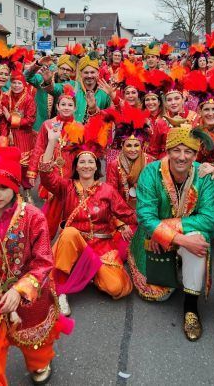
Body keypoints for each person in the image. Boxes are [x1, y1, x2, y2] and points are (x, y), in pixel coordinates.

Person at [0, 146, 70, 385]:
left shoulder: (34, 217)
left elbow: (43, 261)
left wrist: (20, 290)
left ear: (14, 187)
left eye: (3, 188)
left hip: (29, 289)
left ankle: (39, 363)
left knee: (34, 341)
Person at [40, 117, 137, 316]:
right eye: (81, 162)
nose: (86, 165)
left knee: (118, 288)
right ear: (75, 167)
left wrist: (154, 230)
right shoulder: (66, 187)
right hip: (73, 244)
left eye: (90, 162)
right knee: (69, 233)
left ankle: (89, 272)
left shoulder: (107, 190)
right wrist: (51, 142)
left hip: (101, 247)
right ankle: (61, 291)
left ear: (96, 166)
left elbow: (128, 214)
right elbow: (47, 177)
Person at [130, 126, 214, 341]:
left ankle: (191, 310)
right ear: (167, 152)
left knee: (198, 243)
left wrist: (171, 231)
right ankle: (172, 262)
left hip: (182, 232)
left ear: (196, 155)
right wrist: (177, 238)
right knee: (159, 295)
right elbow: (145, 217)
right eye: (176, 150)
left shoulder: (204, 175)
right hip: (153, 238)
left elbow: (209, 219)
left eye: (188, 151)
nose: (182, 157)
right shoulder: (150, 173)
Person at [28, 88, 84, 237]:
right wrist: (32, 171)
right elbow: (39, 147)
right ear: (57, 106)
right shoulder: (48, 124)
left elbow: (83, 153)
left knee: (72, 207)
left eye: (70, 105)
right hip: (52, 171)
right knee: (52, 210)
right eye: (63, 104)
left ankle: (67, 241)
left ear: (75, 108)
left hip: (71, 173)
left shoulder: (80, 127)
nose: (66, 107)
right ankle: (44, 240)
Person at [105, 105, 155, 207]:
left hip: (146, 209)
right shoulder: (114, 165)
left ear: (141, 145)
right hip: (121, 212)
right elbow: (112, 194)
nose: (133, 150)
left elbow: (155, 191)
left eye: (136, 145)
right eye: (128, 145)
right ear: (122, 146)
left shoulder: (150, 162)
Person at [24, 52, 76, 131]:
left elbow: (56, 89)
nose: (65, 72)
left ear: (72, 72)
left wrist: (48, 83)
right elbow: (25, 76)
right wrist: (38, 63)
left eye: (68, 70)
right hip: (41, 126)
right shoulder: (43, 78)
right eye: (62, 68)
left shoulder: (73, 85)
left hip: (63, 129)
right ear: (57, 68)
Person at [5, 70, 37, 192]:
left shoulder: (29, 99)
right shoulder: (6, 96)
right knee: (10, 165)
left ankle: (27, 191)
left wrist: (10, 118)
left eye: (19, 83)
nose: (16, 85)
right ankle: (13, 190)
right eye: (14, 82)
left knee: (24, 166)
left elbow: (30, 120)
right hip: (8, 135)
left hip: (24, 136)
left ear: (24, 84)